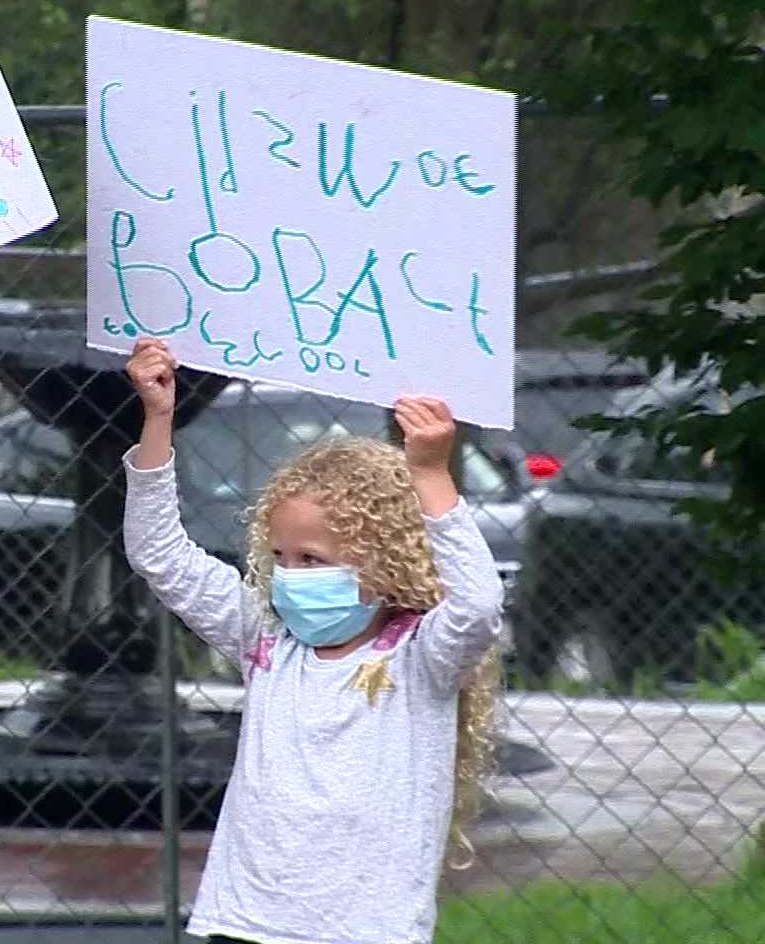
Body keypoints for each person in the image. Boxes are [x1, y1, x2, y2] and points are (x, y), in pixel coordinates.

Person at [121, 338, 503, 944]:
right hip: (245, 924)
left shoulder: (420, 658)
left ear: (385, 560)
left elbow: (478, 607)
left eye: (313, 559)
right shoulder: (266, 641)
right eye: (281, 558)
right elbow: (158, 552)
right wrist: (159, 419)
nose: (292, 577)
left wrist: (429, 474)